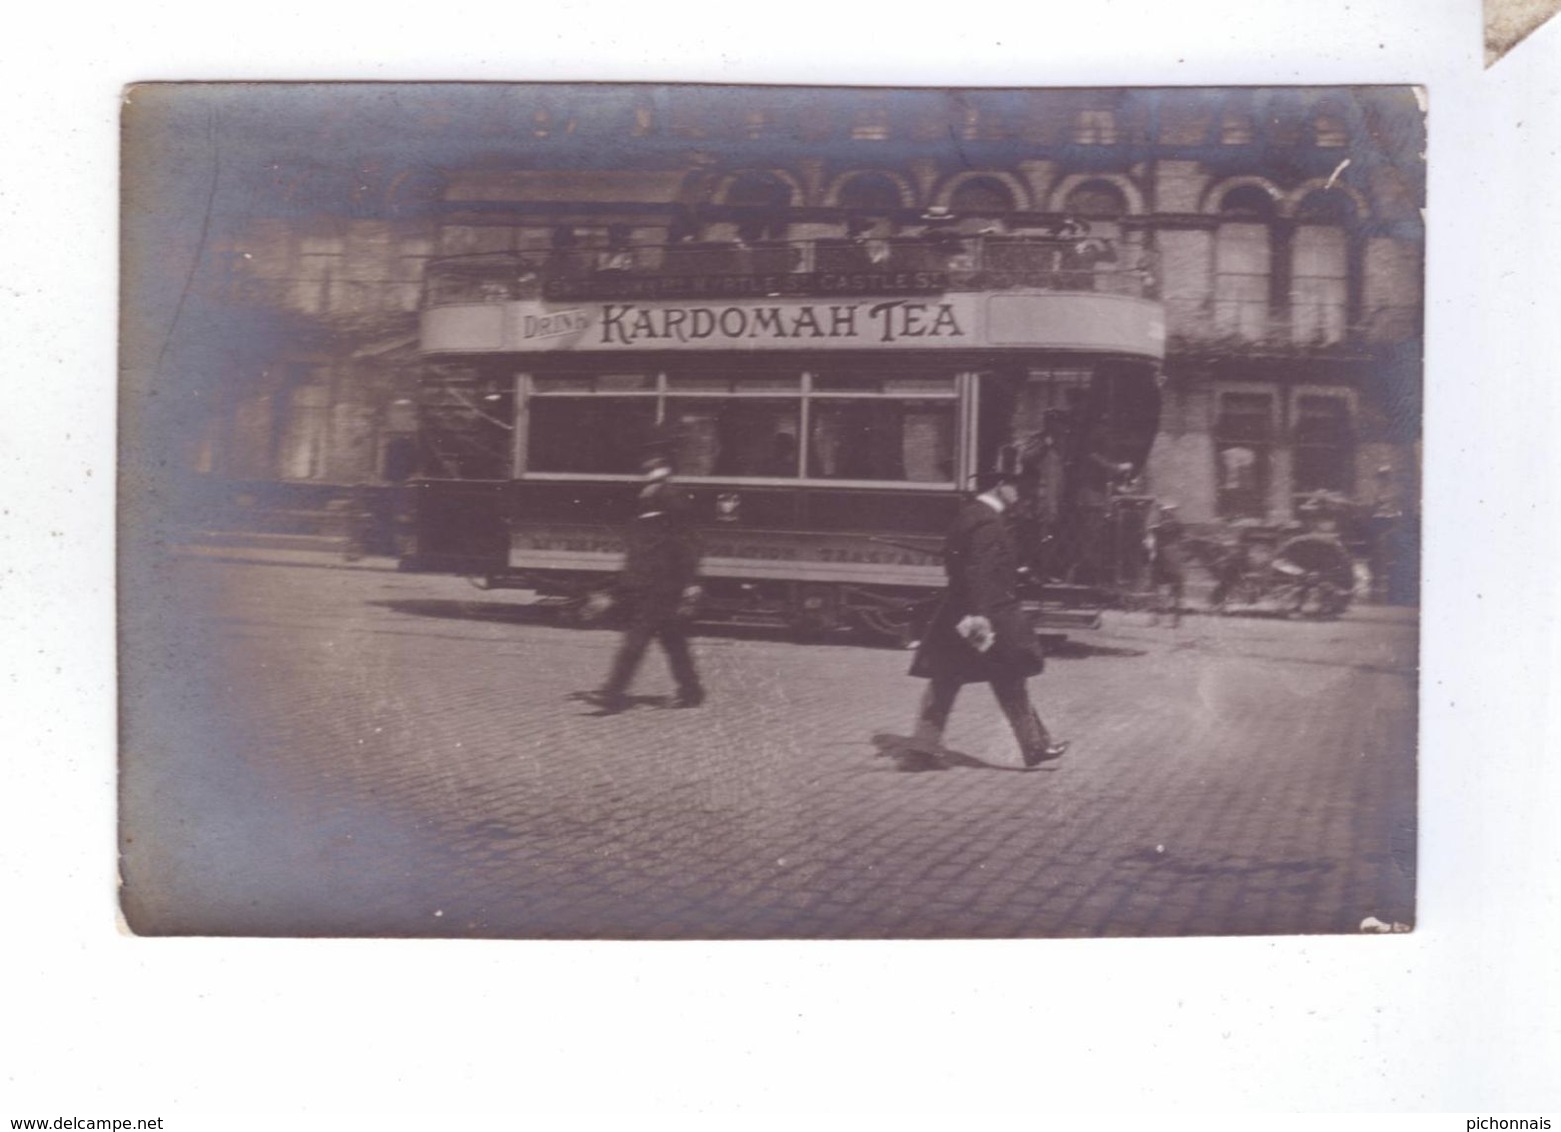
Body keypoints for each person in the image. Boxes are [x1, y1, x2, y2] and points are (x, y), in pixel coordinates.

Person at [905, 461, 1069, 769]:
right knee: (1009, 676)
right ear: (999, 486)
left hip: (958, 612)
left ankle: (921, 750)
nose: (1021, 496)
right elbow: (980, 573)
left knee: (949, 680)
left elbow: (963, 565)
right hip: (985, 616)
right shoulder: (989, 523)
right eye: (1017, 489)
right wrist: (982, 618)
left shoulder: (969, 515)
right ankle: (1034, 746)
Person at [576, 453, 705, 714]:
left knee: (636, 640)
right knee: (673, 639)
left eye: (656, 472)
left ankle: (613, 694)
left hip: (663, 585)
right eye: (649, 472)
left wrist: (691, 582)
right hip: (653, 583)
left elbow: (685, 545)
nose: (650, 479)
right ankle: (691, 690)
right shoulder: (649, 503)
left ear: (665, 473)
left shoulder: (669, 500)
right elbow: (641, 552)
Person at [1145, 500, 1188, 627]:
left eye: (1168, 511)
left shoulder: (1160, 526)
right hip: (1175, 559)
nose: (1169, 513)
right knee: (1176, 591)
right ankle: (1175, 619)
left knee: (1157, 588)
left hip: (1164, 559)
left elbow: (1152, 534)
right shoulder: (1178, 525)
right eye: (1168, 511)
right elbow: (1182, 538)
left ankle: (1156, 618)